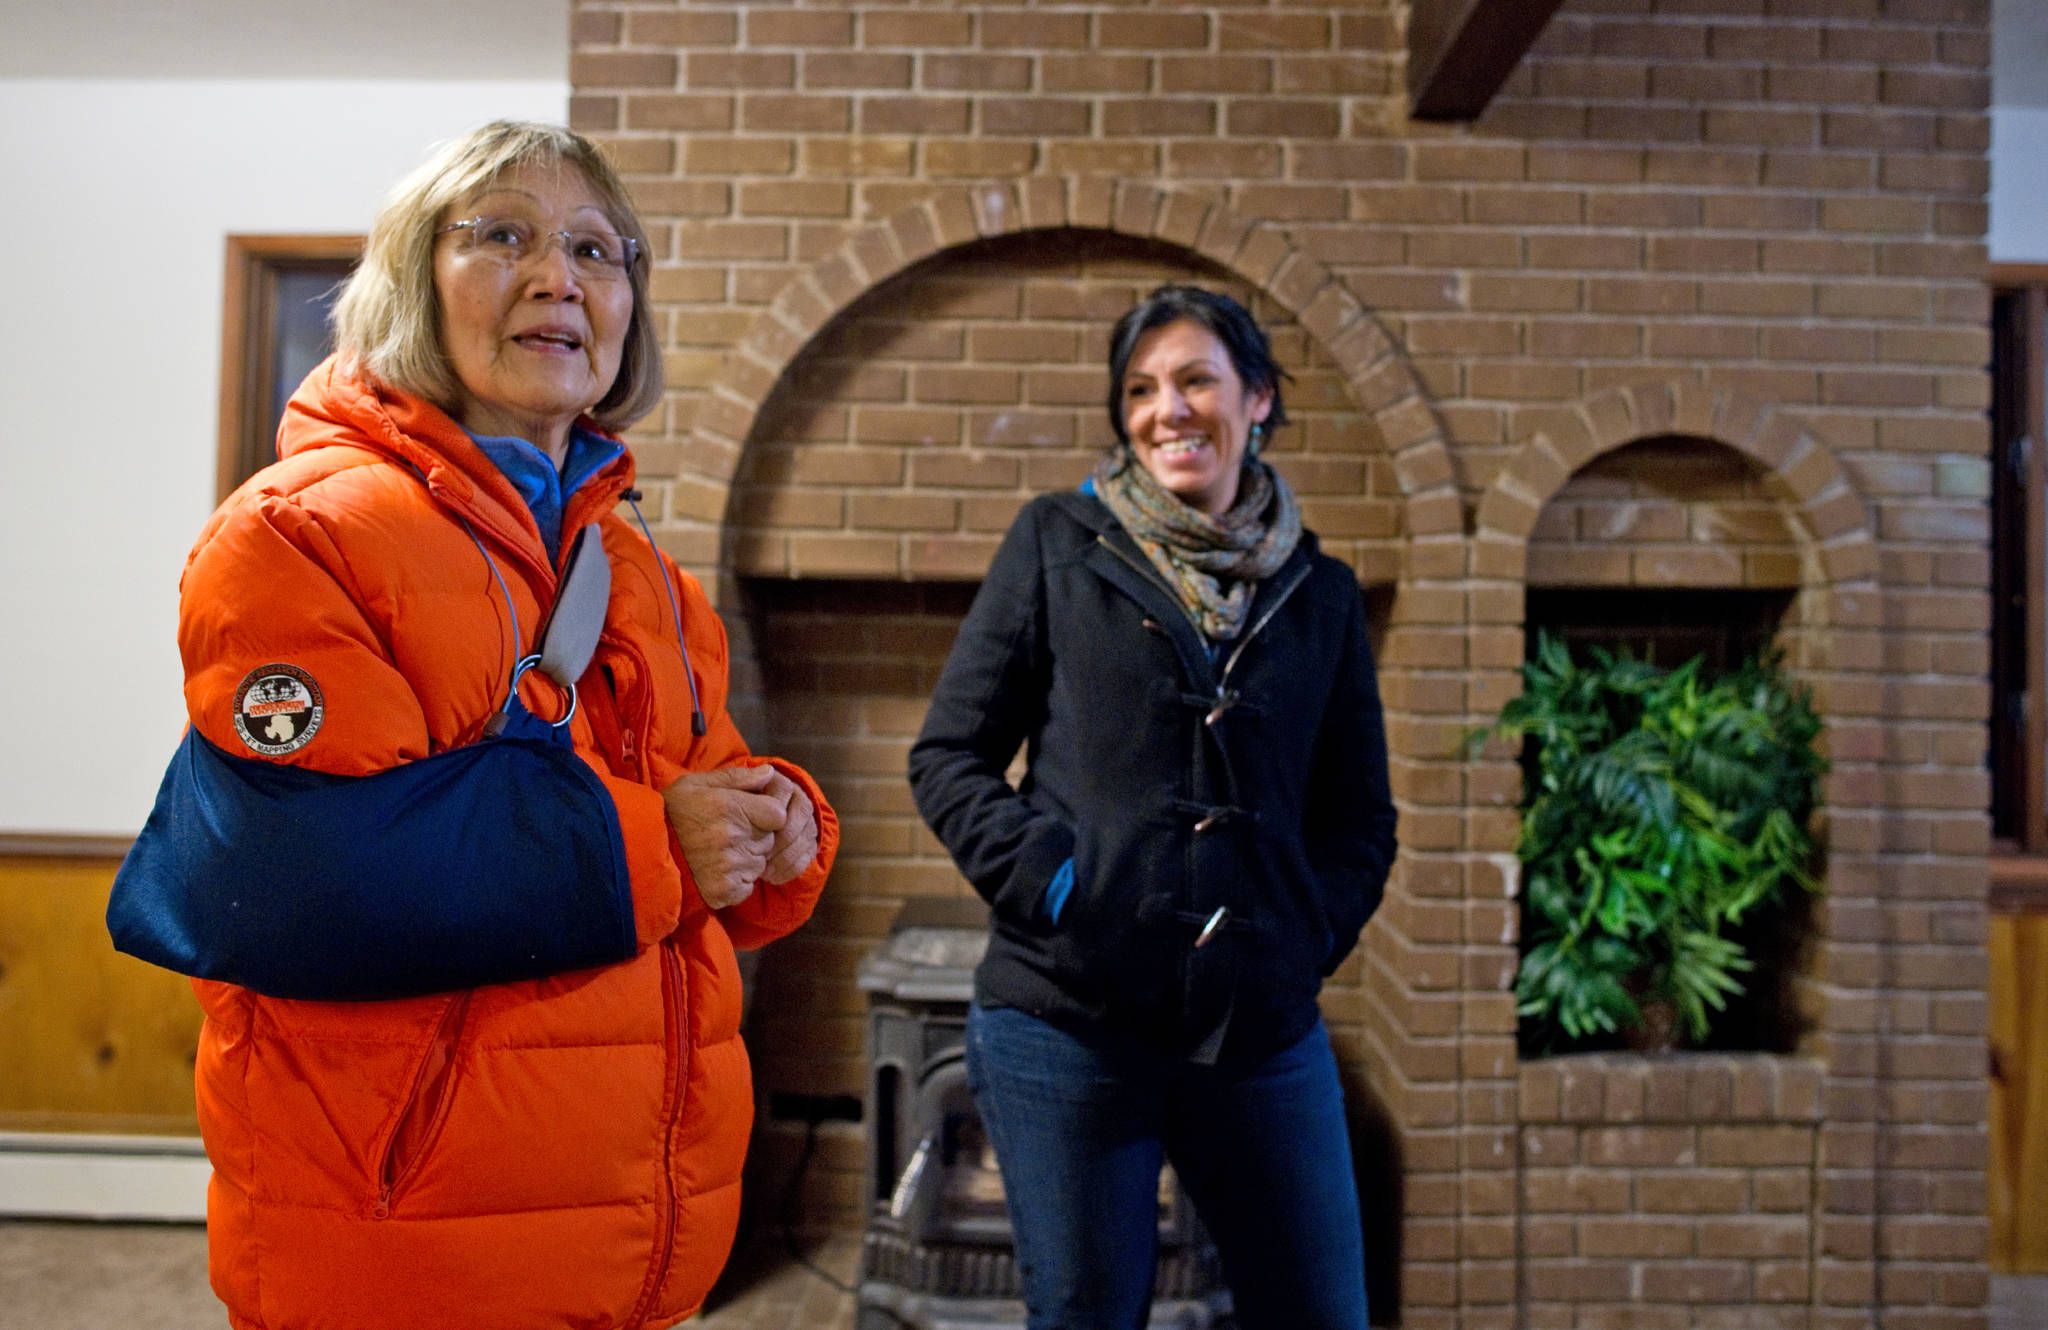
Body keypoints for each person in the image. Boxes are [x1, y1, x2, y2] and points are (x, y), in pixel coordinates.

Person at [107, 122, 836, 1330]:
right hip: (405, 1256)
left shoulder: (637, 567)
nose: (559, 276)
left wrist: (780, 824)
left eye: (598, 250)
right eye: (503, 235)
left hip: (635, 1245)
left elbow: (703, 802)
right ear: (408, 279)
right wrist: (670, 846)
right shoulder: (297, 536)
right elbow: (316, 876)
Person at [908, 285, 1398, 1330]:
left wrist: (1305, 936)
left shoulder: (1320, 593)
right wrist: (1054, 881)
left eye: (1192, 381)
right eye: (1138, 389)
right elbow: (947, 754)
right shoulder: (1057, 545)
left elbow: (1360, 818)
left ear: (1255, 399)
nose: (1164, 409)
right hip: (1066, 1024)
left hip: (1260, 1032)